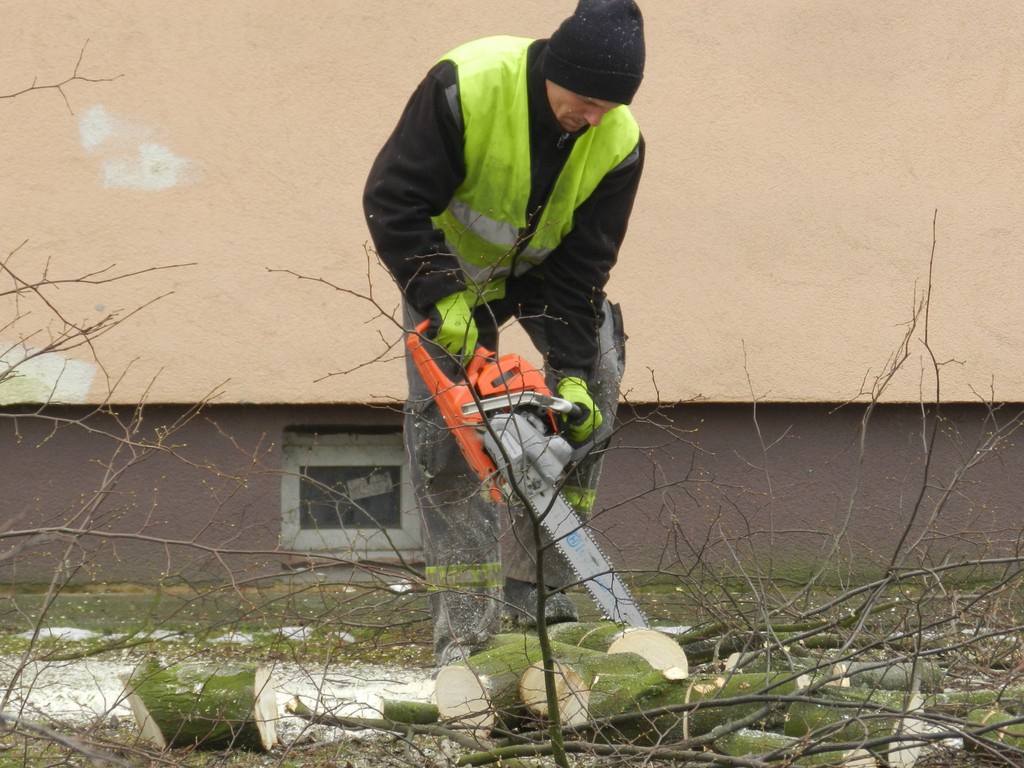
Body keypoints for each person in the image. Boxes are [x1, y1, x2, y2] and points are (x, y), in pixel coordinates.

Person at [363, 0, 646, 665]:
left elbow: (585, 267)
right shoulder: (466, 85)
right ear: (554, 68)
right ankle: (464, 636)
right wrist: (440, 297)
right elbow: (393, 197)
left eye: (608, 106)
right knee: (445, 438)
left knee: (597, 385)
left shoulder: (619, 140)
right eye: (583, 101)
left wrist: (572, 369)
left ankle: (541, 592)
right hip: (450, 273)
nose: (593, 117)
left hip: (546, 277)